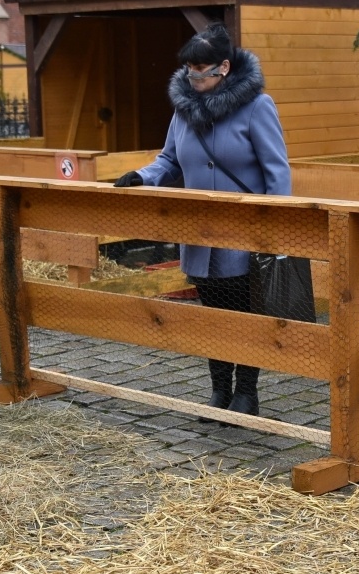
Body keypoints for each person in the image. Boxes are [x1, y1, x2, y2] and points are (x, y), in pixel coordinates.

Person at [113, 23, 290, 417]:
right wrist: (142, 177)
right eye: (189, 72)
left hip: (245, 235)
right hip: (198, 236)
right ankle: (218, 390)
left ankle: (246, 392)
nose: (193, 79)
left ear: (224, 68)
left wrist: (278, 231)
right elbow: (169, 160)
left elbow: (277, 173)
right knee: (212, 315)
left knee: (244, 315)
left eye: (201, 72)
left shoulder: (257, 107)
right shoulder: (183, 112)